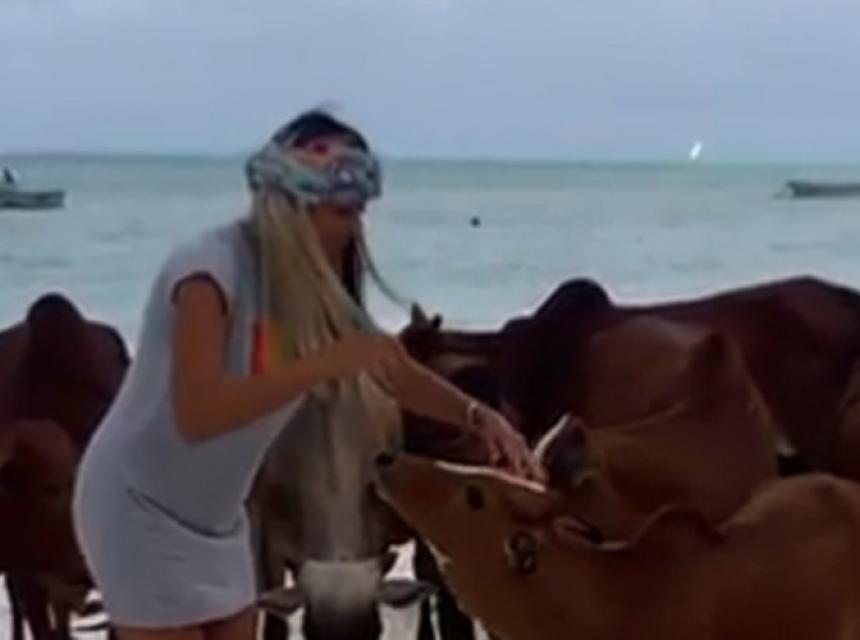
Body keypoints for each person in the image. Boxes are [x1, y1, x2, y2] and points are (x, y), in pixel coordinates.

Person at [72, 110, 540, 640]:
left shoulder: (308, 290)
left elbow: (389, 369)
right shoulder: (209, 270)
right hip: (139, 506)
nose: (354, 229)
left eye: (359, 212)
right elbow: (198, 415)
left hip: (217, 521)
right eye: (343, 212)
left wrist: (477, 417)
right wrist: (321, 364)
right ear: (291, 202)